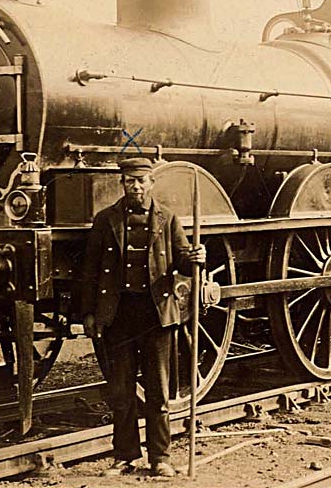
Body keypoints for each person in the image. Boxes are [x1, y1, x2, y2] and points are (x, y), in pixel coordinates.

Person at [79, 157, 206, 478]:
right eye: (129, 181)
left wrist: (195, 257)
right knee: (121, 393)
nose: (135, 186)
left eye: (141, 181)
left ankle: (160, 457)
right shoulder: (105, 220)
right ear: (122, 183)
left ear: (151, 183)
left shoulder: (168, 218)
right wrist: (89, 313)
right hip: (118, 315)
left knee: (158, 392)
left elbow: (180, 261)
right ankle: (124, 456)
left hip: (156, 316)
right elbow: (91, 271)